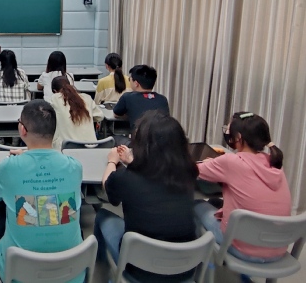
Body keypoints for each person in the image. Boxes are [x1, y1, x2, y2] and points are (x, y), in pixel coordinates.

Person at [0, 100, 84, 282]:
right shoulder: (74, 166)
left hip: (18, 274)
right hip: (71, 273)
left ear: (22, 130)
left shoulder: (8, 167)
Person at [94, 111, 198, 282]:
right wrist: (132, 162)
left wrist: (112, 161)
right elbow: (157, 169)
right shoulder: (188, 173)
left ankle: (102, 272)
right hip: (185, 268)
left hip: (140, 270)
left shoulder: (126, 178)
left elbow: (107, 185)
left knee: (101, 216)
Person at [194, 112, 291, 262]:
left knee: (196, 205)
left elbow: (192, 169)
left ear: (238, 137)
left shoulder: (231, 162)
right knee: (214, 202)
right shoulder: (275, 163)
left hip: (244, 249)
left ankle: (197, 264)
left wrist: (210, 163)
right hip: (277, 249)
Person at [50, 76, 104, 150]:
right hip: (90, 147)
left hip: (66, 148)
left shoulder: (55, 98)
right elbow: (100, 116)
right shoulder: (86, 98)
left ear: (55, 91)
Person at [112, 64, 169, 129]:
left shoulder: (127, 97)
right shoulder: (162, 99)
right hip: (163, 134)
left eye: (129, 79)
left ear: (136, 83)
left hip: (140, 135)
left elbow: (116, 114)